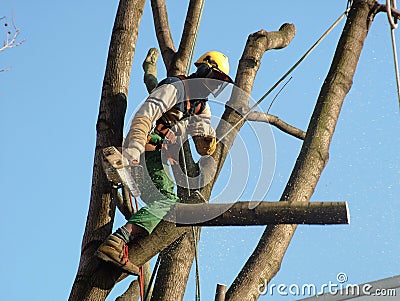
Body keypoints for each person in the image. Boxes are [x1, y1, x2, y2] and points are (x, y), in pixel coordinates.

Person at [96, 51, 233, 274]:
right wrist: (132, 152)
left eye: (220, 83)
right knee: (168, 202)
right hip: (145, 154)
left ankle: (124, 245)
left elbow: (201, 130)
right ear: (204, 69)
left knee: (164, 204)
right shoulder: (175, 88)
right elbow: (144, 117)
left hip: (158, 159)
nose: (214, 85)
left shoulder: (200, 106)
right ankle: (117, 241)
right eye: (215, 78)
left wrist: (207, 141)